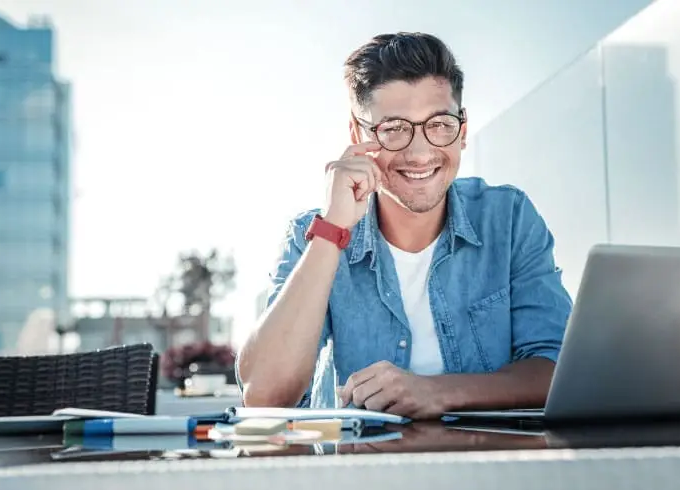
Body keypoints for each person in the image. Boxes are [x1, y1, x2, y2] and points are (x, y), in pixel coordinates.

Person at [236, 32, 572, 419]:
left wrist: (437, 392)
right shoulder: (311, 234)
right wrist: (332, 230)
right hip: (358, 473)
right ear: (356, 135)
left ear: (462, 132)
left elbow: (557, 366)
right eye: (394, 128)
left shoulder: (508, 219)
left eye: (440, 124)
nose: (419, 152)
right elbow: (264, 394)